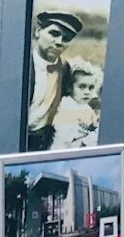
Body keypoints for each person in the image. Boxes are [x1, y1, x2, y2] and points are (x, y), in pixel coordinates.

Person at [27, 11, 84, 151]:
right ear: (38, 32)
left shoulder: (65, 69)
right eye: (54, 33)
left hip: (46, 141)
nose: (59, 42)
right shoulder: (21, 65)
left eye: (66, 38)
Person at [52, 61, 103, 149]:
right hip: (62, 153)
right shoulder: (65, 106)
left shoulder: (87, 108)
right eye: (82, 87)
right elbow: (68, 138)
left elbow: (93, 130)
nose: (87, 92)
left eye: (91, 88)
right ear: (69, 88)